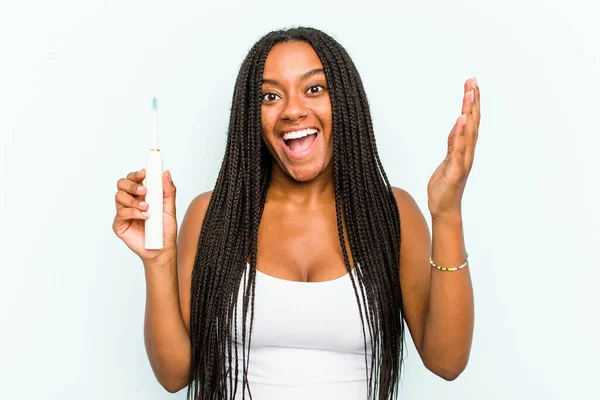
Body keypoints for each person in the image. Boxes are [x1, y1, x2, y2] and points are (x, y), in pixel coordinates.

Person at [113, 26, 478, 400]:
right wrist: (158, 262)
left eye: (314, 89)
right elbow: (174, 376)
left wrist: (447, 213)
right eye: (270, 96)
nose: (292, 110)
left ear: (346, 102)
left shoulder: (390, 214)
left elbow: (447, 361)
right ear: (251, 116)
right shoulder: (213, 214)